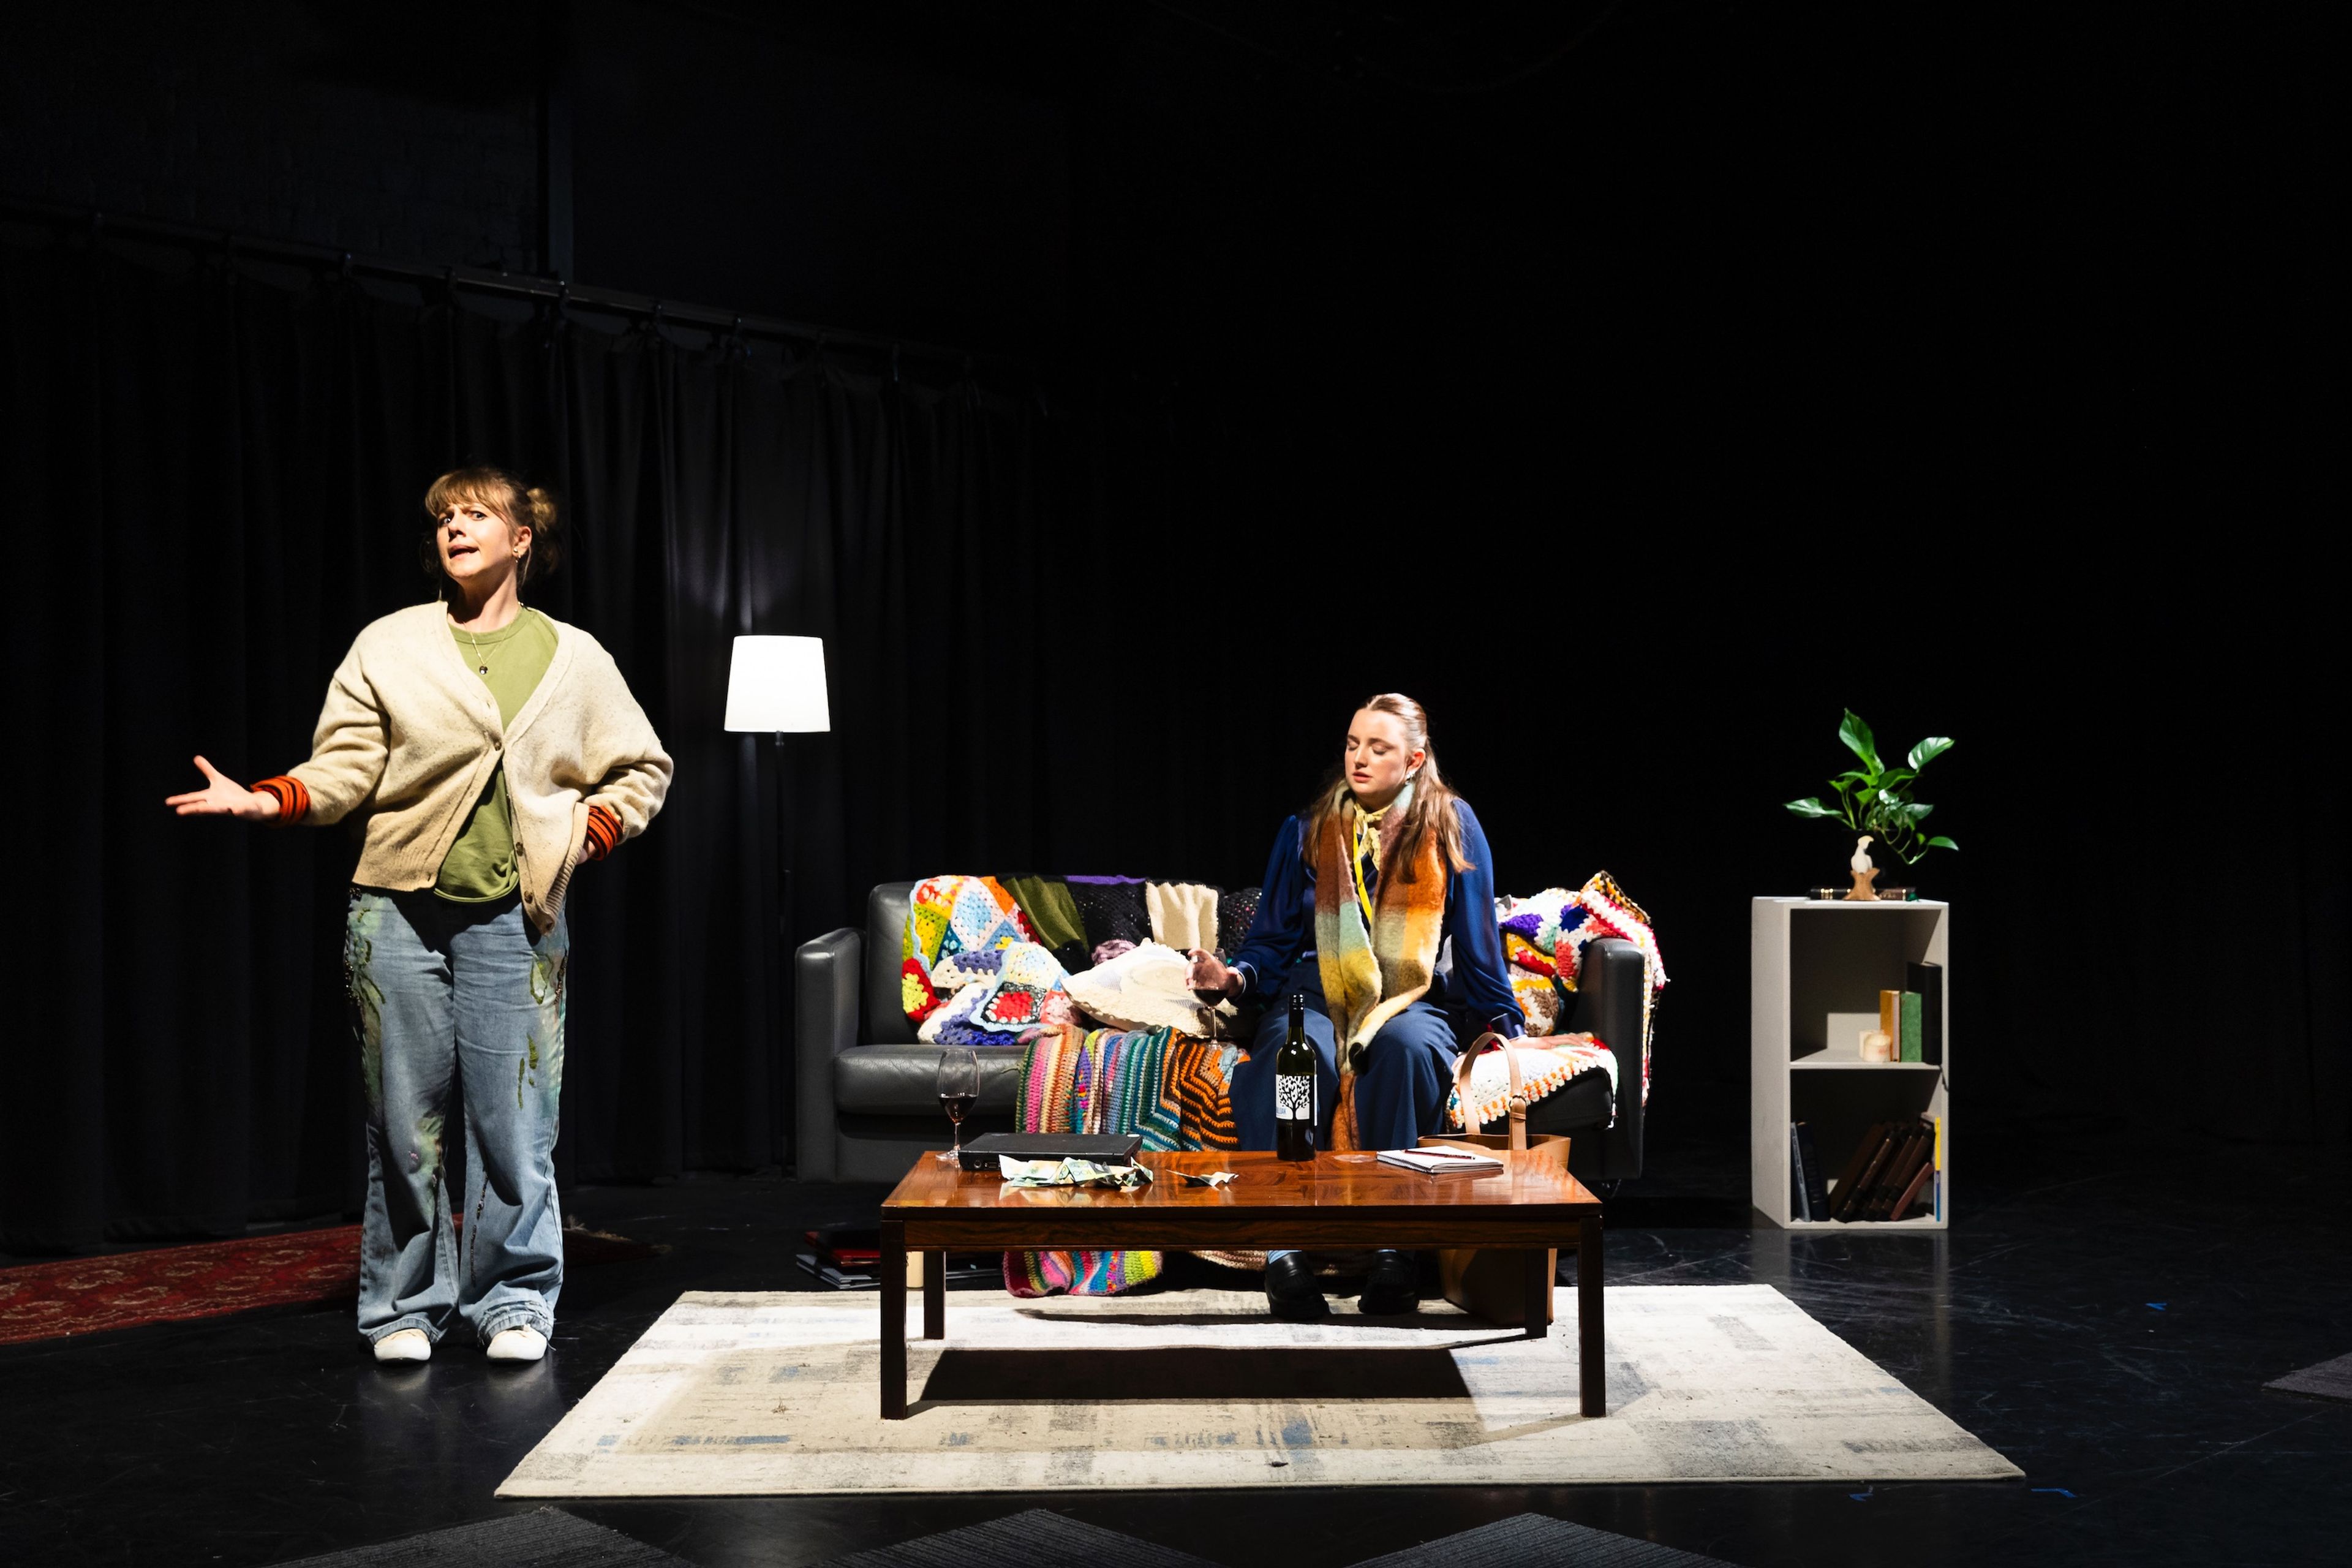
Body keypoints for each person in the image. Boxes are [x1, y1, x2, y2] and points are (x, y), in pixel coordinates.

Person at [167, 467, 673, 1365]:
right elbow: (345, 768)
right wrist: (265, 802)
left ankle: (513, 1299)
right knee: (404, 1125)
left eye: (477, 515)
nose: (455, 529)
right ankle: (401, 1307)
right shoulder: (390, 645)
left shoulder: (576, 657)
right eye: (444, 517)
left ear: (522, 539)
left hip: (519, 920)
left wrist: (584, 834)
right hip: (394, 916)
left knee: (516, 1124)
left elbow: (642, 770)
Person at [1185, 693, 1523, 1320]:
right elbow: (1272, 940)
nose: (1359, 758)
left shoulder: (1452, 824)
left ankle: (1395, 1249)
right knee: (1296, 1054)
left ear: (1415, 759)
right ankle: (1285, 1248)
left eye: (1379, 747)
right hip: (1314, 993)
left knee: (1409, 1048)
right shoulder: (1310, 829)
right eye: (1351, 743)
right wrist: (1231, 977)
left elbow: (1479, 950)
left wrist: (1506, 1028)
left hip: (1409, 996)